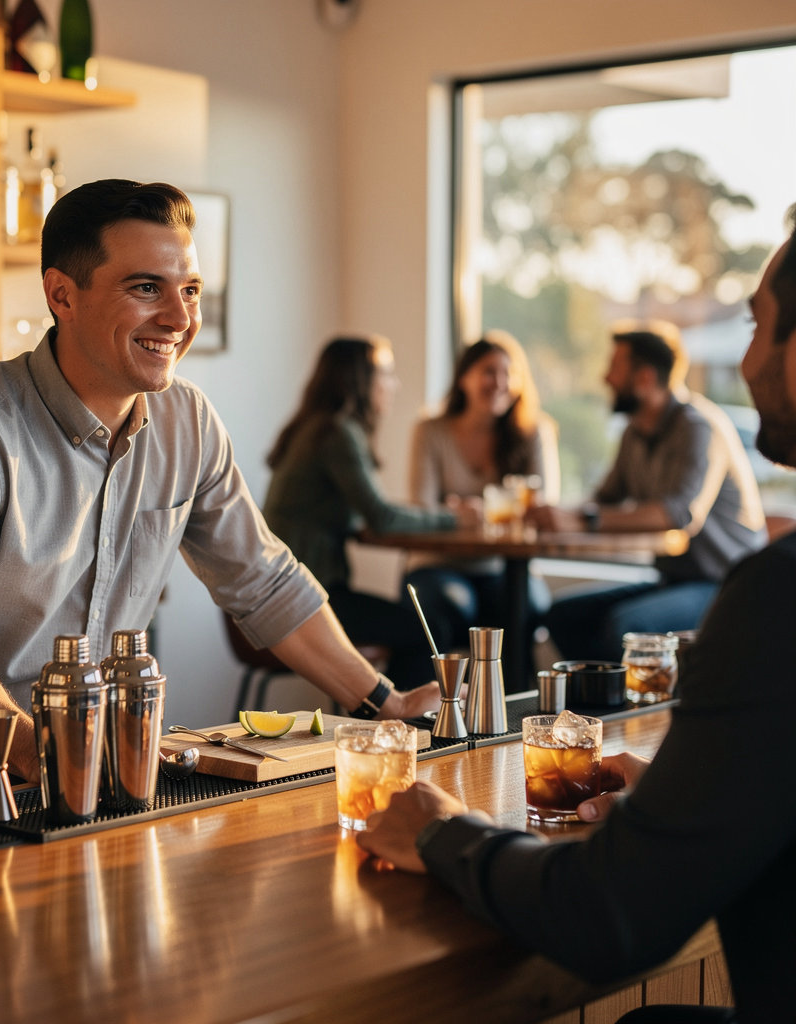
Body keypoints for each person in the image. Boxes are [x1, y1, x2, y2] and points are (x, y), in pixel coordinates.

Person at [0, 180, 440, 796]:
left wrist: (380, 701)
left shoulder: (189, 423)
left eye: (189, 291)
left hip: (93, 771)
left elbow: (265, 584)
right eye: (146, 288)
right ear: (62, 295)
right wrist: (46, 761)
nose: (180, 320)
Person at [356, 209, 796, 1023]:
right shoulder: (631, 438)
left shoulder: (777, 597)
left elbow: (611, 916)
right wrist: (687, 794)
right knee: (574, 615)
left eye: (757, 326)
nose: (744, 356)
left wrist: (441, 831)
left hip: (702, 575)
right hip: (601, 578)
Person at [534, 319, 765, 663]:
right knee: (563, 615)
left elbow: (677, 515)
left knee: (626, 628)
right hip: (673, 579)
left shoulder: (698, 426)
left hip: (725, 586)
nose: (605, 378)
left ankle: (629, 713)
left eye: (614, 367)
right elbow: (605, 497)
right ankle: (595, 710)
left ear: (644, 379)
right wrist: (559, 512)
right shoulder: (635, 431)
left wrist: (585, 520)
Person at [262, 335, 473, 689]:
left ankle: (387, 723)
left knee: (421, 623)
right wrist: (456, 518)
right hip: (303, 598)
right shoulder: (336, 433)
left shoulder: (316, 427)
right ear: (360, 380)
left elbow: (363, 514)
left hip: (287, 592)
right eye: (386, 373)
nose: (394, 383)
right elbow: (383, 517)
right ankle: (397, 727)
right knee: (429, 628)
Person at [403, 330, 560, 678]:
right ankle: (424, 715)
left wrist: (471, 512)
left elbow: (542, 509)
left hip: (505, 568)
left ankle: (515, 717)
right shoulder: (431, 431)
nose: (500, 382)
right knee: (444, 603)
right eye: (489, 371)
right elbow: (420, 508)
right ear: (464, 377)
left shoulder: (533, 433)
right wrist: (491, 512)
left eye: (509, 373)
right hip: (437, 565)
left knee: (527, 605)